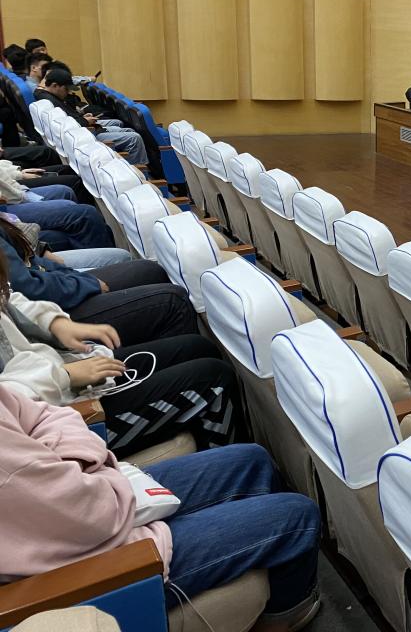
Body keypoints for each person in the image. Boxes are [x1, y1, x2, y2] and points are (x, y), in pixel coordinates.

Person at [0, 386, 323, 630]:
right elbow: (96, 512)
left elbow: (45, 413)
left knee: (251, 461)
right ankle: (280, 620)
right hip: (82, 564)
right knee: (298, 518)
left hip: (78, 503)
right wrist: (82, 466)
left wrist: (74, 464)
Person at [0, 249, 237, 457]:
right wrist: (66, 376)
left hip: (55, 375)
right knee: (215, 379)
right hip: (58, 424)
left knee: (197, 348)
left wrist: (54, 322)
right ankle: (231, 476)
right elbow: (8, 406)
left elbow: (9, 296)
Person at [0, 217, 199, 346]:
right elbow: (28, 289)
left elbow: (30, 261)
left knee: (149, 270)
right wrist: (86, 284)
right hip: (41, 315)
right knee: (174, 301)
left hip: (43, 293)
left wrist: (77, 278)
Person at [34, 68, 148, 165]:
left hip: (85, 132)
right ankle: (140, 173)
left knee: (128, 131)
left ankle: (132, 167)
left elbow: (68, 118)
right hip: (87, 137)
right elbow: (64, 126)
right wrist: (85, 121)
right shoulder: (49, 100)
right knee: (134, 138)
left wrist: (83, 117)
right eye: (66, 89)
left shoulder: (50, 97)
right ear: (54, 85)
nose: (68, 92)